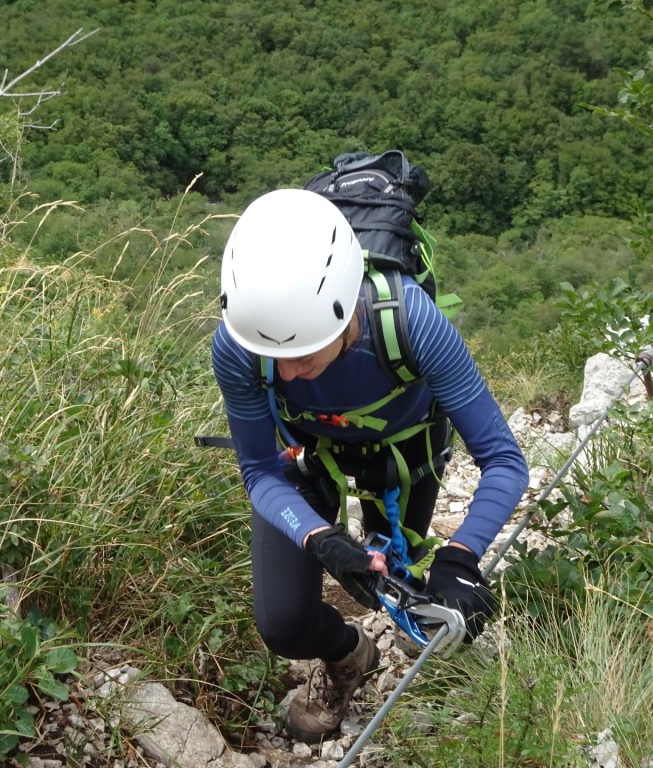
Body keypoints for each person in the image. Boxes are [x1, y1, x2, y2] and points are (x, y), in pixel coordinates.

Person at [212, 188, 528, 742]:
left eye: (303, 354)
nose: (285, 376)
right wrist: (317, 537)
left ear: (341, 314)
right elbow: (260, 470)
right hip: (305, 457)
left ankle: (413, 647)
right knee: (283, 625)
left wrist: (461, 557)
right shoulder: (240, 344)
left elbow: (503, 459)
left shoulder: (410, 322)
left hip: (403, 456)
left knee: (399, 582)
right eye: (274, 358)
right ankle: (348, 655)